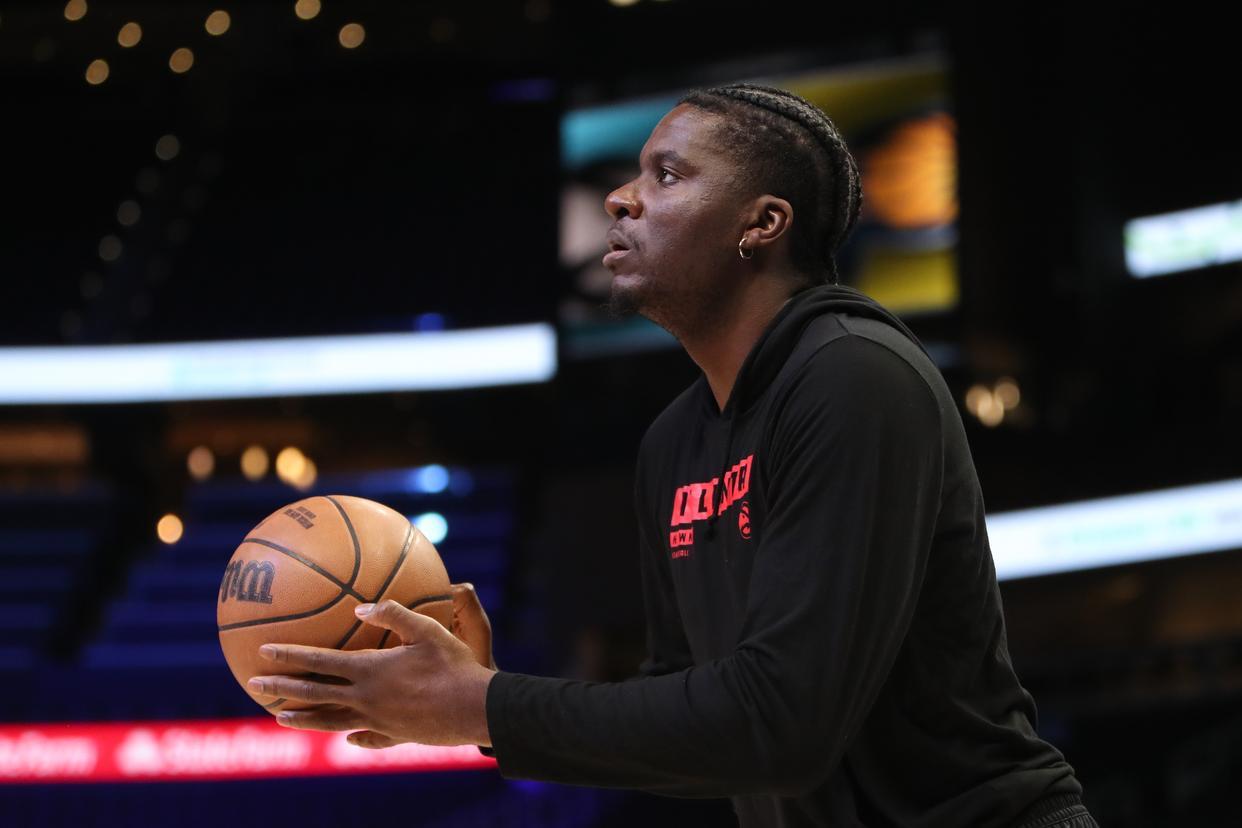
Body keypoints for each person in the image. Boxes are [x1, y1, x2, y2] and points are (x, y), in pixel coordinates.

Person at [247, 83, 1098, 827]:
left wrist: (488, 705)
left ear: (761, 225)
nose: (620, 198)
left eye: (667, 175)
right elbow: (692, 727)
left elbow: (780, 725)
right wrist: (482, 705)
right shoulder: (675, 443)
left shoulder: (854, 377)